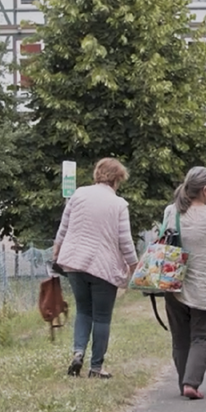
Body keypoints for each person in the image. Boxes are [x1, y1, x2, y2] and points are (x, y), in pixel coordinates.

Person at [51, 157, 137, 379]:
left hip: (74, 263)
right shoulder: (119, 204)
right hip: (103, 267)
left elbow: (64, 226)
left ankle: (78, 352)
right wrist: (134, 265)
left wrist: (57, 249)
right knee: (101, 317)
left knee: (83, 310)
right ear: (117, 179)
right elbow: (125, 240)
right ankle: (96, 367)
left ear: (98, 173)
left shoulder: (78, 194)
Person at [163, 165, 206, 399]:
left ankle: (184, 382)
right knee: (202, 334)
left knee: (180, 336)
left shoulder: (171, 211)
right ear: (204, 190)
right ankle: (192, 382)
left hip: (173, 282)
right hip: (204, 283)